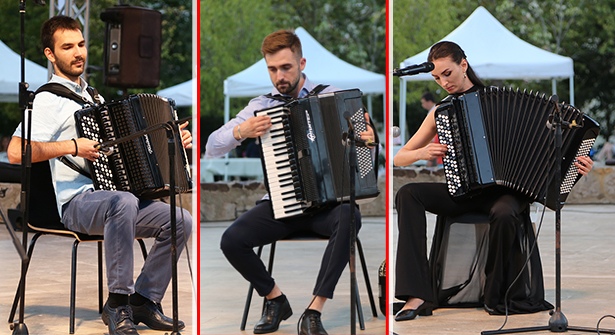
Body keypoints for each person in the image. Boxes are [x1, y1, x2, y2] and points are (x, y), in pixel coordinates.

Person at [7, 16, 193, 335]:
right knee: (122, 201)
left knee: (180, 220)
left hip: (113, 200)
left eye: (80, 44)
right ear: (50, 54)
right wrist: (72, 145)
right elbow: (14, 151)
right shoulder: (47, 99)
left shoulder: (95, 99)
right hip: (73, 204)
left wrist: (172, 141)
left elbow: (128, 151)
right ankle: (117, 303)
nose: (78, 53)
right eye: (68, 47)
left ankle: (144, 301)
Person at [392, 41, 594, 322]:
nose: (443, 82)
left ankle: (494, 293)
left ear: (463, 65)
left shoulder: (502, 100)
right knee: (408, 194)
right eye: (437, 78)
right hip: (464, 190)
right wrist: (423, 152)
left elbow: (554, 146)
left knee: (504, 212)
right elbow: (399, 158)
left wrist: (576, 164)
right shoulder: (441, 111)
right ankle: (417, 294)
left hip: (508, 191)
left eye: (447, 73)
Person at [206, 29, 374, 335]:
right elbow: (212, 146)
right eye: (272, 69)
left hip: (328, 207)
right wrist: (242, 131)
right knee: (231, 240)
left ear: (301, 63)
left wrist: (369, 142)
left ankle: (313, 311)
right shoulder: (260, 105)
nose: (279, 76)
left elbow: (366, 156)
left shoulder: (334, 96)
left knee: (350, 216)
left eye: (286, 67)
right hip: (282, 206)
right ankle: (275, 299)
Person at [419, 92, 440, 167]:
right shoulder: (433, 111)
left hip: (436, 144)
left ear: (429, 102)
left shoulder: (434, 112)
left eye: (423, 103)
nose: (422, 105)